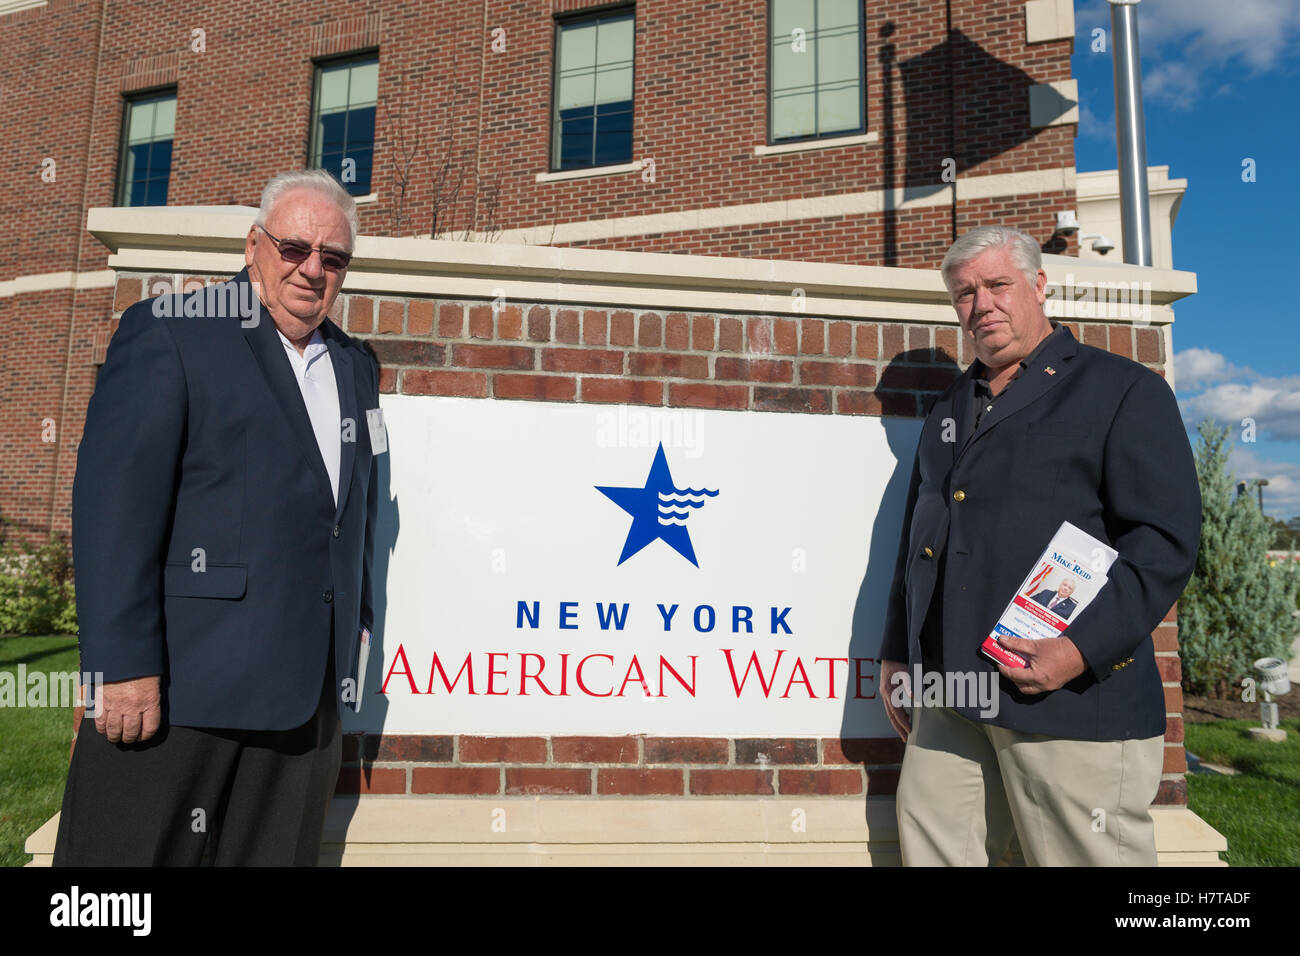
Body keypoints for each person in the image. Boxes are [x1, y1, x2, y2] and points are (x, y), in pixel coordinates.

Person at [54, 169, 382, 866]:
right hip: (179, 690)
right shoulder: (173, 332)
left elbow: (350, 514)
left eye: (334, 257)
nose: (312, 269)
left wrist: (356, 629)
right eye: (295, 248)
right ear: (254, 244)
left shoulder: (356, 366)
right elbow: (115, 503)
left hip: (305, 701)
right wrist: (117, 665)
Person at [878, 225, 1201, 866]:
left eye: (997, 284)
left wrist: (1077, 650)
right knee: (934, 852)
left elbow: (1163, 544)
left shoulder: (1123, 391)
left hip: (1066, 695)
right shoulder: (949, 408)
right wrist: (898, 653)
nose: (982, 305)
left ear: (1039, 285)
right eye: (964, 293)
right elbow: (920, 540)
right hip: (952, 695)